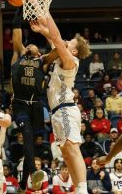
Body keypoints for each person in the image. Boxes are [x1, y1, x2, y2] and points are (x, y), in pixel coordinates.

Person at [29, 12, 91, 194]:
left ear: (74, 50)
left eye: (70, 41)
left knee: (71, 148)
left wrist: (45, 12)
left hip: (65, 109)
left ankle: (82, 189)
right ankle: (76, 187)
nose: (66, 41)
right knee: (65, 153)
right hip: (57, 111)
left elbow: (56, 38)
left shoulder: (70, 60)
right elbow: (54, 39)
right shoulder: (61, 57)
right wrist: (42, 27)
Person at [10, 7, 57, 193]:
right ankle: (30, 174)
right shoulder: (19, 55)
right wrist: (18, 12)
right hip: (20, 103)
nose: (28, 45)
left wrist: (45, 31)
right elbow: (17, 36)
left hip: (36, 105)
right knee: (27, 136)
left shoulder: (42, 61)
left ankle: (25, 179)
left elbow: (57, 47)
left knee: (35, 141)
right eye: (27, 45)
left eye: (32, 45)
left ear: (38, 52)